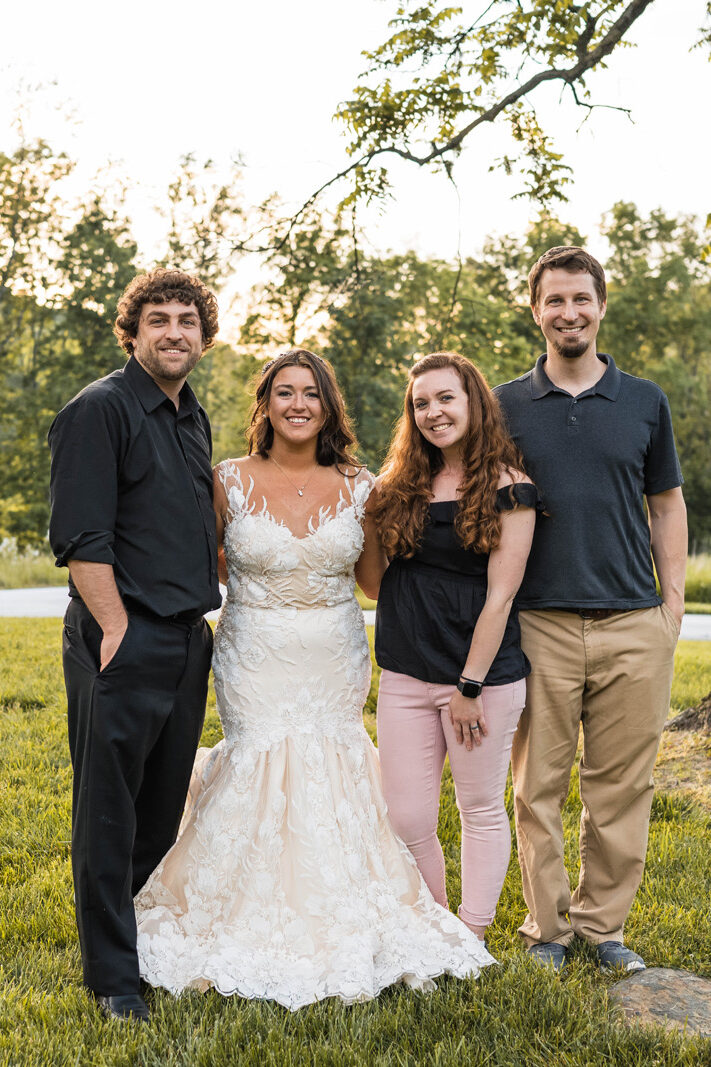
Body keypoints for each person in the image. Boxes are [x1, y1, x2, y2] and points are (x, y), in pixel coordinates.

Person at [134, 349, 494, 1009]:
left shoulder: (363, 486)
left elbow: (377, 582)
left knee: (332, 762)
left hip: (333, 650)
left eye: (311, 393)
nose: (297, 404)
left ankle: (355, 904)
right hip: (255, 650)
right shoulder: (226, 479)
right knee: (261, 758)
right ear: (265, 404)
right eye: (284, 392)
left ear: (328, 406)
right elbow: (203, 564)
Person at [494, 246, 687, 973]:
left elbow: (665, 506)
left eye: (581, 299)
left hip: (632, 623)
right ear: (534, 308)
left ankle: (603, 928)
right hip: (537, 622)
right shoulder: (505, 404)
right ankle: (545, 929)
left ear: (600, 305)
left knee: (620, 786)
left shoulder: (643, 401)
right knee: (535, 785)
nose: (568, 312)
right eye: (554, 301)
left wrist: (669, 607)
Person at [48, 269, 222, 1023]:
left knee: (157, 812)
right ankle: (113, 978)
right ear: (133, 331)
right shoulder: (99, 409)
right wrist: (115, 626)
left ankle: (130, 936)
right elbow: (82, 537)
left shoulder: (192, 417)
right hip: (121, 635)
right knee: (109, 813)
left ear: (205, 337)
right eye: (159, 318)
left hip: (186, 639)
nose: (174, 331)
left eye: (188, 319)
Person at [372, 352, 540, 943]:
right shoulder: (400, 486)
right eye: (421, 403)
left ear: (473, 402)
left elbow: (501, 598)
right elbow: (373, 578)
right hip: (404, 675)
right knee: (407, 815)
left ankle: (471, 931)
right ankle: (433, 922)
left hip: (482, 681)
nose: (433, 412)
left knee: (480, 808)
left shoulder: (509, 488)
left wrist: (469, 687)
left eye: (446, 398)